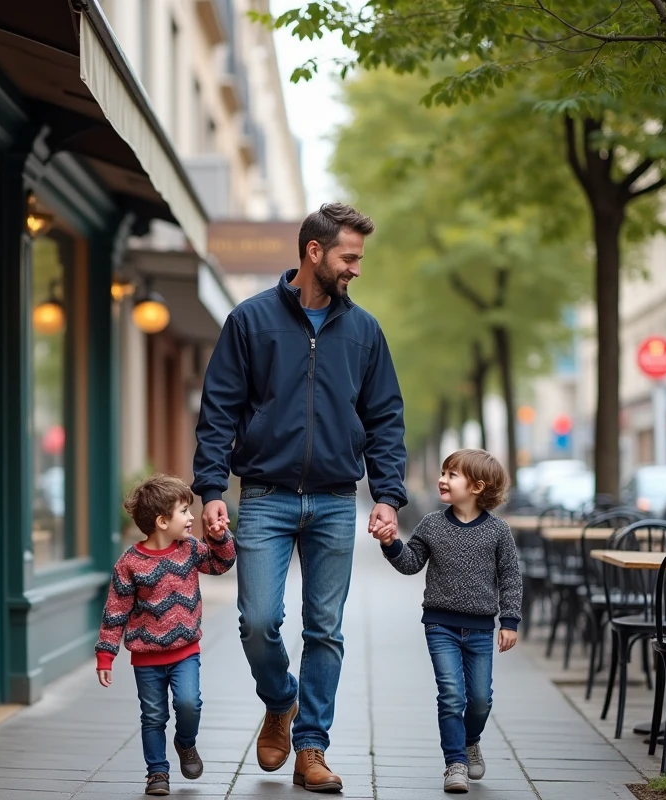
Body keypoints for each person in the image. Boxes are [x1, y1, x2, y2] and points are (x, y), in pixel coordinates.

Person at [192, 203, 407, 793]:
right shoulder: (250, 320)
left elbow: (386, 417)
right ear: (314, 252)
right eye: (349, 256)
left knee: (325, 629)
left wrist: (387, 495)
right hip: (264, 495)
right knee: (258, 621)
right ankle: (280, 700)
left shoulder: (364, 331)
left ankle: (311, 747)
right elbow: (218, 413)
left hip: (338, 499)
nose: (356, 268)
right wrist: (211, 489)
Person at [377, 449, 522, 794]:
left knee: (480, 699)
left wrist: (510, 621)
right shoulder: (432, 524)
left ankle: (471, 739)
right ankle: (455, 763)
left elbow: (511, 577)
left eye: (452, 474)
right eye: (444, 472)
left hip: (481, 629)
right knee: (452, 694)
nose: (443, 479)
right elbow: (411, 563)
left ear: (477, 486)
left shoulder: (498, 532)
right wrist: (390, 544)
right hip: (440, 625)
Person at [95, 474, 235, 796]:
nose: (190, 518)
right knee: (153, 716)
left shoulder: (189, 549)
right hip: (146, 658)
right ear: (161, 521)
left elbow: (221, 564)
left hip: (186, 649)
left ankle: (186, 743)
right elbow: (115, 610)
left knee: (189, 704)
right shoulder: (129, 564)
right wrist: (106, 654)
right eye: (184, 511)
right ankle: (157, 772)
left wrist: (219, 537)